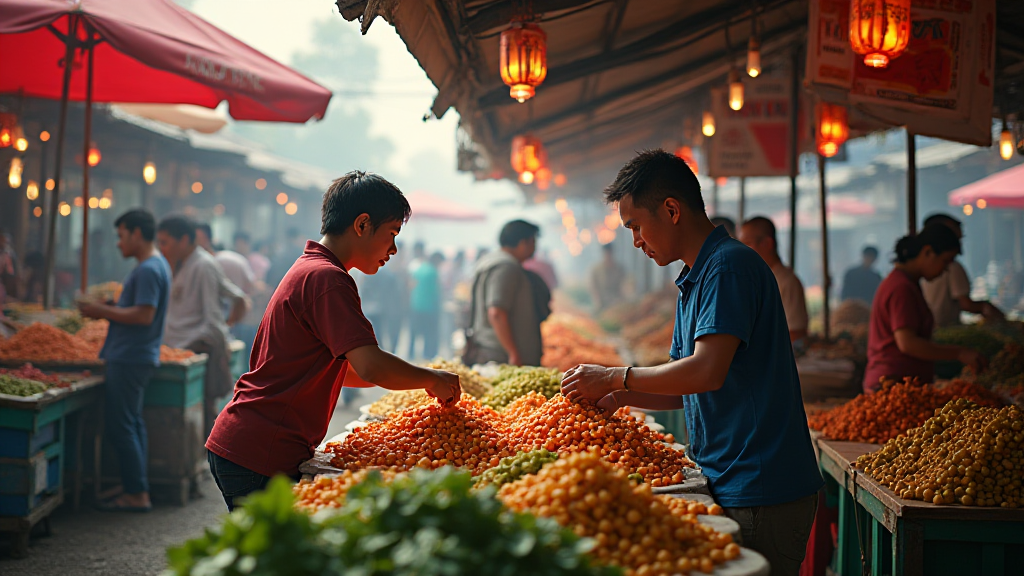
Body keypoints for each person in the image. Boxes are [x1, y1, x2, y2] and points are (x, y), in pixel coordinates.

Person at [560, 150, 822, 576]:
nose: (636, 241)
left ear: (671, 210)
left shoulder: (727, 269)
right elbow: (688, 386)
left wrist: (614, 376)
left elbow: (705, 371)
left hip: (759, 483)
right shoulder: (695, 277)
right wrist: (615, 396)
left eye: (636, 227)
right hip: (730, 474)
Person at [205, 172, 461, 510]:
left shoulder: (313, 269)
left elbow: (349, 371)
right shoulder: (327, 278)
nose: (394, 249)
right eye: (392, 234)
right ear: (362, 225)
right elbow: (369, 366)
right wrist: (431, 378)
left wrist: (408, 382)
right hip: (261, 447)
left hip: (252, 440)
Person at [77, 210, 171, 512]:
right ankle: (135, 485)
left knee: (122, 426)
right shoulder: (155, 266)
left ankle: (136, 493)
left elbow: (144, 315)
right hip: (136, 355)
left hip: (130, 357)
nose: (118, 244)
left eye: (121, 236)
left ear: (137, 234)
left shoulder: (148, 269)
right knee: (132, 422)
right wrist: (114, 306)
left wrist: (100, 312)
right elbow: (141, 309)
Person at [864, 225, 986, 393]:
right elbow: (908, 344)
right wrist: (958, 353)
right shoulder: (902, 288)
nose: (945, 270)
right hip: (892, 385)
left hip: (901, 382)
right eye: (944, 261)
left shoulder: (907, 283)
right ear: (927, 252)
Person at [157, 216, 249, 437]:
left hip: (196, 348)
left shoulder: (204, 265)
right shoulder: (182, 264)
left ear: (184, 240)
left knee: (206, 412)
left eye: (165, 242)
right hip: (178, 348)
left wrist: (213, 339)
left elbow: (213, 316)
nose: (162, 249)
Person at [464, 220, 543, 367]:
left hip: (490, 347)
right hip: (499, 354)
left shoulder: (489, 261)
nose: (534, 248)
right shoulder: (506, 267)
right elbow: (497, 313)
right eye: (533, 242)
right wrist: (513, 353)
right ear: (523, 243)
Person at [921, 214, 1004, 327]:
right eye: (955, 239)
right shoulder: (952, 267)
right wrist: (986, 308)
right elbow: (966, 304)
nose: (959, 248)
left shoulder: (920, 271)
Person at [739, 216, 809, 344]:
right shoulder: (758, 279)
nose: (742, 250)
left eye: (747, 243)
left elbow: (796, 332)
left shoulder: (786, 282)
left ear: (767, 244)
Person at [408, 251, 444, 360]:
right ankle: (428, 355)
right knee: (429, 333)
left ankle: (411, 354)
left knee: (414, 332)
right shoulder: (433, 272)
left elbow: (411, 285)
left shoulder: (419, 269)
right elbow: (436, 292)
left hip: (415, 305)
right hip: (429, 308)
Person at [588, 243, 625, 312]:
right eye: (606, 253)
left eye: (610, 253)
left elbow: (624, 286)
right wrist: (598, 301)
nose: (608, 255)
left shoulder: (619, 269)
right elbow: (593, 287)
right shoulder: (596, 270)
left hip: (617, 304)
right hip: (601, 304)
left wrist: (621, 300)